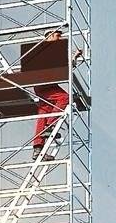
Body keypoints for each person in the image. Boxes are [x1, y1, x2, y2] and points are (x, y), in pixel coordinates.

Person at [32, 29, 83, 161]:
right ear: (48, 36)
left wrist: (74, 58)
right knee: (64, 97)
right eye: (57, 35)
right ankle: (50, 126)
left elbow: (64, 68)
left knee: (44, 111)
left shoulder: (52, 51)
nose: (60, 38)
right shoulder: (46, 49)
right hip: (43, 81)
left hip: (45, 83)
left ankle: (38, 148)